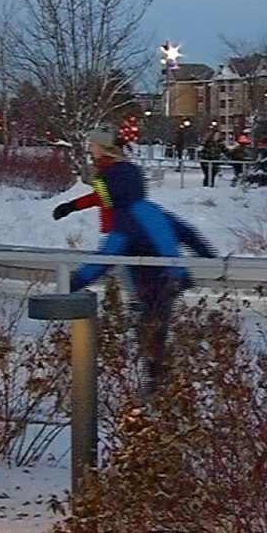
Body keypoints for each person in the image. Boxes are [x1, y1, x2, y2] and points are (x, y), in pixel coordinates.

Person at [68, 159, 217, 396]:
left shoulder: (127, 220)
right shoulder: (151, 209)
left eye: (105, 190)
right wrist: (208, 256)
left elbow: (106, 257)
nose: (103, 196)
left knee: (150, 331)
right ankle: (162, 379)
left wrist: (74, 282)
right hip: (171, 279)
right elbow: (187, 232)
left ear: (117, 190)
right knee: (153, 328)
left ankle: (157, 385)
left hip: (155, 283)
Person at [53, 130, 129, 233]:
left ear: (103, 148)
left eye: (93, 145)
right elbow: (102, 197)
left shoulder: (113, 170)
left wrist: (72, 206)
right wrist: (72, 206)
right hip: (118, 231)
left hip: (122, 232)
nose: (89, 149)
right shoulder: (106, 167)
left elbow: (109, 198)